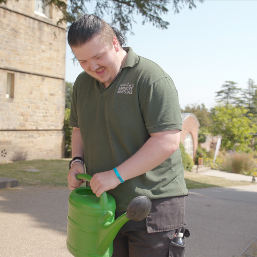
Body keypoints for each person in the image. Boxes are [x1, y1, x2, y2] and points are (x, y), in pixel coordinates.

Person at [67, 14, 188, 257]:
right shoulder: (82, 84)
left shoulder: (150, 78)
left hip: (153, 205)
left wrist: (116, 175)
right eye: (83, 61)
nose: (93, 66)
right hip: (104, 205)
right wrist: (76, 161)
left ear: (114, 43)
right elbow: (79, 129)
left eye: (98, 56)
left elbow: (167, 140)